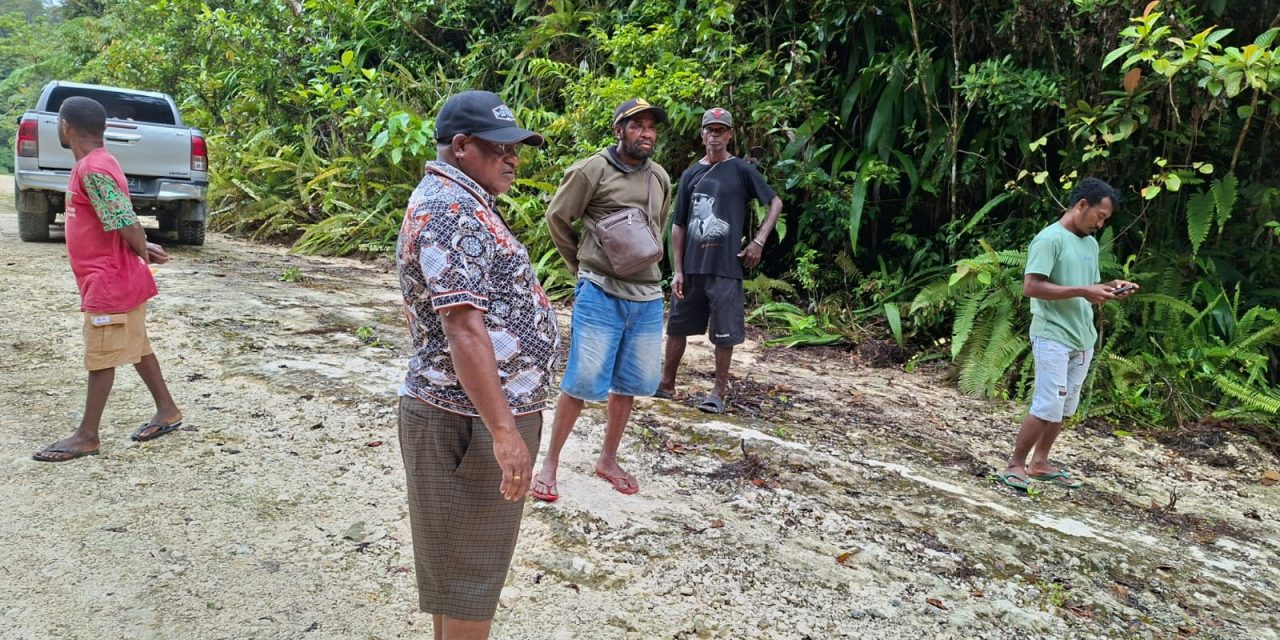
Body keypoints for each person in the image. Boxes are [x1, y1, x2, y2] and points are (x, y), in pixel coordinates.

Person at [395, 90, 558, 639]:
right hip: (469, 420)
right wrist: (504, 432)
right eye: (500, 149)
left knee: (461, 578)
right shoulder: (451, 210)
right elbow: (463, 329)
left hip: (470, 414)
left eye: (516, 149)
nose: (513, 160)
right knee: (470, 579)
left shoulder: (460, 202)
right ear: (461, 146)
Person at [533, 98, 673, 501]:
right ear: (618, 130)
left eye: (651, 126)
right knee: (581, 379)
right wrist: (581, 264)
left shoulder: (659, 177)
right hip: (600, 291)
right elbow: (558, 217)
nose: (646, 133)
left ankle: (607, 460)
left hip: (647, 295)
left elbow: (656, 229)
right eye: (637, 125)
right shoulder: (592, 169)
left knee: (629, 382)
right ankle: (550, 463)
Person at [32, 97, 182, 463]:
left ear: (66, 127)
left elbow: (125, 220)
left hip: (108, 283)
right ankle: (167, 410)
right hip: (118, 277)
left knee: (100, 358)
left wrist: (141, 246)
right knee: (137, 346)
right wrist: (141, 245)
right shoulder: (99, 162)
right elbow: (120, 217)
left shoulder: (93, 169)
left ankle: (87, 435)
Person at [1000, 178, 1138, 491]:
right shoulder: (1049, 240)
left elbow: (1089, 287)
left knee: (1064, 407)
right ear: (1081, 205)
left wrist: (1111, 288)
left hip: (1082, 337)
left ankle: (1040, 463)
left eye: (1105, 220)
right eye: (1099, 216)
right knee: (1047, 403)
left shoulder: (1090, 244)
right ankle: (1015, 465)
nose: (1100, 224)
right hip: (1052, 334)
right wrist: (1083, 290)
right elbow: (1031, 286)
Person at [655, 107, 782, 414]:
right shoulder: (691, 174)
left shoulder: (740, 170)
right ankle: (666, 383)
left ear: (729, 135)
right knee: (677, 326)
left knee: (724, 331)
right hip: (692, 267)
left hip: (726, 266)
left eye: (720, 130)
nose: (714, 136)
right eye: (710, 130)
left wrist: (759, 240)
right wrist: (677, 270)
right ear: (702, 134)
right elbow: (678, 225)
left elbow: (775, 202)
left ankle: (718, 392)